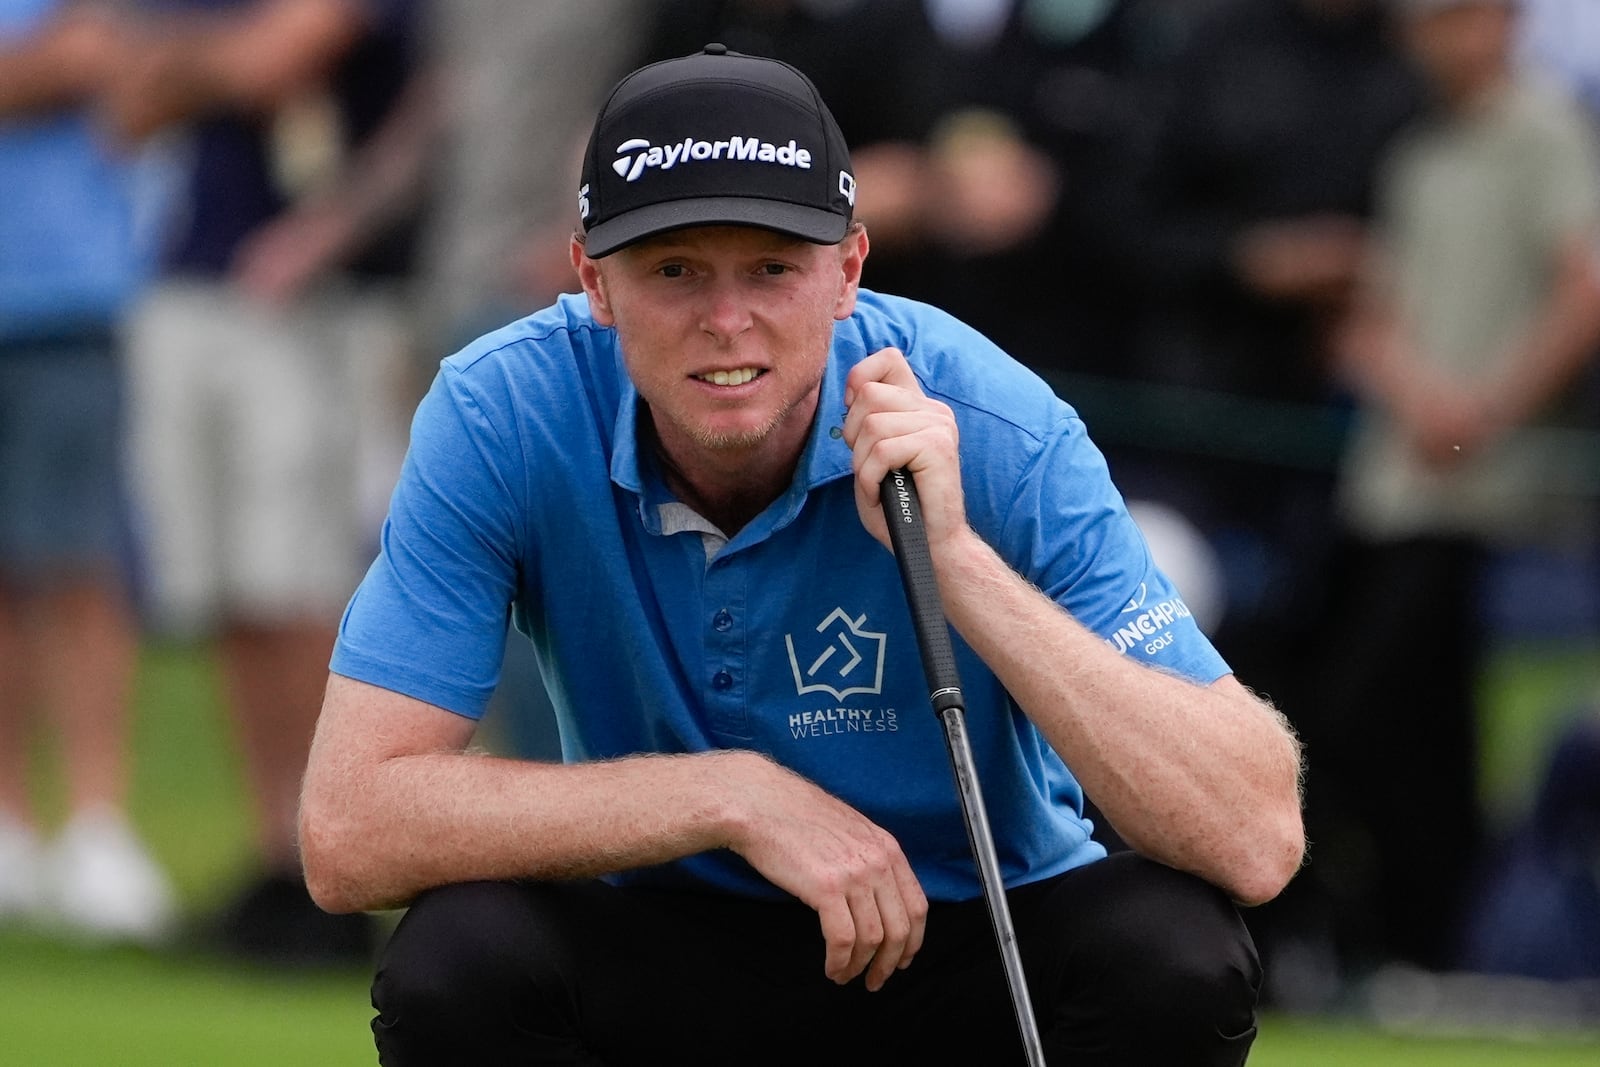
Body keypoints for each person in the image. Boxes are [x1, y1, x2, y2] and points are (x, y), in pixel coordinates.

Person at [299, 46, 1306, 1064]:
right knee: (460, 959)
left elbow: (1254, 834)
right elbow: (349, 829)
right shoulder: (504, 409)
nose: (726, 321)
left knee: (1168, 954)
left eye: (773, 267)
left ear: (849, 270)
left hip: (970, 945)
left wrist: (954, 559)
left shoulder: (992, 418)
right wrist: (727, 794)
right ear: (592, 281)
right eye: (674, 269)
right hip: (667, 941)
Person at [107, 0, 423, 963]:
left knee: (298, 584)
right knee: (227, 592)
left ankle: (334, 854)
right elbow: (122, 111)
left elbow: (276, 58)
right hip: (195, 285)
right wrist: (203, 61)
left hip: (310, 303)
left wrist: (172, 61)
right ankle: (274, 852)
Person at [1326, 0, 1600, 973]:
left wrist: (1484, 409)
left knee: (1460, 744)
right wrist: (1416, 390)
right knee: (1395, 732)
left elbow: (1586, 287)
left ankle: (1458, 950)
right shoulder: (1417, 150)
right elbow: (1370, 318)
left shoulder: (1546, 133)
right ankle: (1416, 949)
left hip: (1498, 509)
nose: (1441, 35)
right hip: (1396, 492)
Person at [0, 0, 175, 945]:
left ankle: (97, 825)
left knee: (76, 563)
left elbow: (119, 71)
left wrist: (62, 69)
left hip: (68, 298)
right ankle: (9, 826)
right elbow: (61, 68)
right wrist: (41, 73)